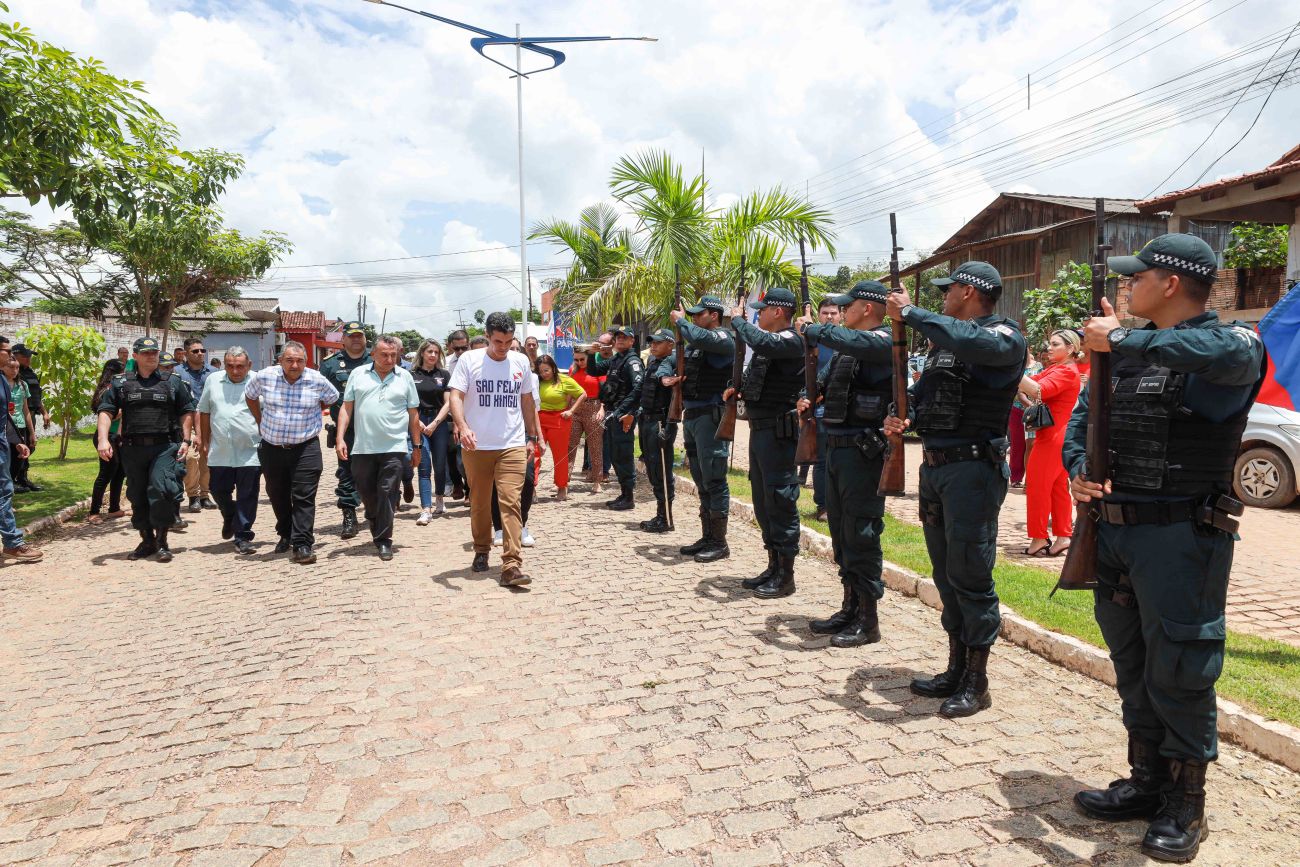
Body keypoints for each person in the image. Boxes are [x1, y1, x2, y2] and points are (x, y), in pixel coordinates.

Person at [1066, 234, 1265, 863]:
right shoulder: (1125, 351)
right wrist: (1078, 469)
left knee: (1180, 667)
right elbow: (1081, 422)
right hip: (1115, 532)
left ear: (1172, 283)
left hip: (1181, 538)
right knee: (1131, 661)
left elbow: (1213, 352)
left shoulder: (1233, 344)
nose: (1128, 286)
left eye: (1138, 276)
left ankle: (1186, 803)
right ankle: (1147, 780)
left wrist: (1120, 338)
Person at [884, 261, 1026, 718]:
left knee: (971, 575)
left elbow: (975, 342)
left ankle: (977, 682)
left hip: (973, 472)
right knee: (946, 574)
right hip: (936, 469)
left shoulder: (1004, 336)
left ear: (968, 292)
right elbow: (925, 393)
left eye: (949, 289)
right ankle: (955, 668)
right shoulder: (945, 343)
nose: (943, 296)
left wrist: (912, 313)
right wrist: (904, 414)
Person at [796, 280, 894, 647]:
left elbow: (855, 342)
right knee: (841, 532)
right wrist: (806, 397)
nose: (840, 312)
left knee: (861, 533)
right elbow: (821, 383)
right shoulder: (845, 349)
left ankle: (869, 620)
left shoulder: (883, 341)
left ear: (866, 308)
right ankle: (850, 607)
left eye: (846, 306)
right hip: (836, 449)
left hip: (862, 454)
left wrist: (816, 330)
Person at [448, 312, 541, 587]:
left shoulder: (520, 361)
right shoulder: (469, 360)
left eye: (509, 342)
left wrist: (531, 437)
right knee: (479, 502)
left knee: (510, 501)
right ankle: (481, 549)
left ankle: (511, 564)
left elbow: (527, 401)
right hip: (477, 445)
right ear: (488, 336)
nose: (503, 347)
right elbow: (456, 396)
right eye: (498, 341)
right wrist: (463, 426)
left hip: (512, 444)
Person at [726, 287, 805, 598]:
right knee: (762, 501)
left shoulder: (791, 340)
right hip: (760, 431)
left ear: (778, 311)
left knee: (779, 499)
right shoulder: (768, 344)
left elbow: (761, 342)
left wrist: (738, 321)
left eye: (762, 310)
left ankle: (786, 576)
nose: (758, 315)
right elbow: (757, 378)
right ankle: (773, 566)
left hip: (778, 433)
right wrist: (736, 389)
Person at [96, 336, 197, 563]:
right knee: (138, 494)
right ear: (135, 356)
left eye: (154, 352)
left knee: (161, 490)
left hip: (165, 446)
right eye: (146, 353)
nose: (151, 356)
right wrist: (103, 440)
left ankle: (162, 542)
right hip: (133, 449)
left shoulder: (172, 382)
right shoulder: (121, 383)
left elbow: (186, 410)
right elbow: (106, 411)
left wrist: (186, 440)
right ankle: (147, 540)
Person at [244, 341, 339, 564]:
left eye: (299, 361)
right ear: (280, 361)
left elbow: (333, 398)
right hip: (272, 447)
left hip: (306, 447)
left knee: (304, 495)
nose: (294, 365)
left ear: (306, 362)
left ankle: (303, 544)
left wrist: (314, 410)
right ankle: (286, 533)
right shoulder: (265, 377)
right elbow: (250, 395)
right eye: (289, 360)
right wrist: (259, 419)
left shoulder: (317, 380)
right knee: (277, 494)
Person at [335, 335, 421, 561]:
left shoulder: (405, 377)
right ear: (373, 354)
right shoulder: (358, 374)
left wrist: (417, 445)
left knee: (387, 491)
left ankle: (384, 540)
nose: (389, 359)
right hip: (363, 448)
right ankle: (374, 519)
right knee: (367, 493)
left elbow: (413, 413)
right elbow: (346, 408)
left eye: (393, 355)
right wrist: (340, 438)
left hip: (395, 447)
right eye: (384, 355)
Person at [669, 295, 735, 563]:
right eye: (692, 315)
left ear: (714, 315)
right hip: (693, 415)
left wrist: (681, 322)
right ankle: (707, 536)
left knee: (714, 478)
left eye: (699, 314)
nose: (695, 318)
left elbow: (699, 337)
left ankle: (719, 542)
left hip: (711, 416)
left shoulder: (722, 338)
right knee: (700, 477)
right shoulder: (697, 343)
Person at [1019, 329, 1083, 557]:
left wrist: (1011, 368)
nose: (1049, 347)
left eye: (1055, 344)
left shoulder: (1066, 371)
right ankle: (1063, 536)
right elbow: (1031, 383)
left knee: (1037, 486)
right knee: (1057, 488)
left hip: (1054, 437)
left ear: (1071, 348)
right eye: (1050, 343)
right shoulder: (1058, 368)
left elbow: (1039, 390)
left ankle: (1038, 538)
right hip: (1058, 435)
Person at [198, 347, 261, 555]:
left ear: (249, 365)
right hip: (220, 449)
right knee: (217, 489)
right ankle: (229, 513)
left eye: (240, 366)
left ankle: (243, 536)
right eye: (230, 366)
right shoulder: (213, 380)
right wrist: (204, 440)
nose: (235, 371)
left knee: (247, 495)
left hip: (250, 450)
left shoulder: (258, 381)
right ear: (224, 365)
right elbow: (204, 411)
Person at [319, 322, 371, 540]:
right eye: (351, 336)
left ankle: (376, 509)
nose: (356, 339)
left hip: (375, 430)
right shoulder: (330, 365)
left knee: (375, 472)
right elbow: (319, 396)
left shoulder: (376, 360)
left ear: (365, 339)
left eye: (360, 335)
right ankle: (349, 516)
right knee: (347, 473)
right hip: (346, 431)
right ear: (343, 339)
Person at [587, 326, 643, 510]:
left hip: (622, 414)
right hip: (613, 413)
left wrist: (624, 411)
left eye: (624, 337)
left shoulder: (632, 361)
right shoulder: (616, 359)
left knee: (623, 454)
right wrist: (591, 354)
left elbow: (638, 388)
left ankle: (629, 497)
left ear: (632, 341)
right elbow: (593, 371)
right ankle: (623, 493)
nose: (620, 340)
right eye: (618, 337)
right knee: (615, 455)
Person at [0, 339, 40, 562]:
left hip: (3, 444)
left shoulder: (3, 381)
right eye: (6, 351)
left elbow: (4, 417)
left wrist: (16, 441)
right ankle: (13, 544)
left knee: (4, 491)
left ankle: (12, 543)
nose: (10, 354)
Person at [635, 331, 678, 532]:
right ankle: (661, 514)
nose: (653, 345)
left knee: (662, 470)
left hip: (661, 422)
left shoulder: (674, 362)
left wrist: (669, 427)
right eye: (652, 342)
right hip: (646, 421)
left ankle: (666, 518)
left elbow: (676, 402)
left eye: (658, 343)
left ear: (670, 344)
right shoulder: (652, 362)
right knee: (653, 469)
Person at [411, 339, 453, 524]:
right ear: (422, 353)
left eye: (436, 352)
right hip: (418, 421)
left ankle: (440, 498)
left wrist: (435, 423)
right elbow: (408, 401)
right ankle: (426, 509)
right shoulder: (411, 375)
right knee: (424, 465)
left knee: (440, 464)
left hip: (439, 422)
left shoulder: (443, 375)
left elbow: (449, 402)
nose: (433, 355)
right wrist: (418, 423)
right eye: (430, 352)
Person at [535, 354, 585, 501]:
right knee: (534, 453)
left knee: (560, 455)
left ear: (553, 368)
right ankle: (531, 487)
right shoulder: (536, 381)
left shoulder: (564, 380)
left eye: (546, 370)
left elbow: (582, 394)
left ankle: (562, 486)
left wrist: (571, 411)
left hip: (559, 419)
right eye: (540, 371)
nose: (543, 374)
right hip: (538, 419)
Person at [809, 297, 841, 522]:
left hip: (843, 410)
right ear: (818, 315)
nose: (829, 317)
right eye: (825, 313)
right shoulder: (812, 340)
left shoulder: (848, 339)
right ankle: (823, 506)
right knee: (821, 461)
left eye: (833, 313)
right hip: (819, 409)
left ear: (841, 315)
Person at [175, 337, 214, 513]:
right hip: (187, 420)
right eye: (195, 351)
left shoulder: (213, 373)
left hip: (209, 419)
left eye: (202, 350)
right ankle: (193, 495)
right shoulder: (177, 372)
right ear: (185, 353)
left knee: (207, 457)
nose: (200, 354)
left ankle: (205, 495)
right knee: (190, 457)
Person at [88, 360, 127, 524]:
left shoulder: (117, 389)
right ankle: (94, 512)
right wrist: (121, 411)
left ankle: (114, 508)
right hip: (106, 437)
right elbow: (105, 413)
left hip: (118, 436)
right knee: (106, 474)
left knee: (120, 472)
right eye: (123, 371)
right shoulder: (107, 390)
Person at [565, 346, 605, 494]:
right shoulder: (572, 370)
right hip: (575, 408)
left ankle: (597, 481)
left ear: (588, 357)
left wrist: (602, 408)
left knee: (595, 446)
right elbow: (569, 391)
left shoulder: (597, 369)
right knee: (570, 445)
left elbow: (604, 391)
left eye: (582, 359)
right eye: (576, 360)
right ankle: (564, 481)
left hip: (593, 407)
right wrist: (566, 408)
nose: (580, 362)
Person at [10, 344, 44, 491]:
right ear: (15, 356)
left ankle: (22, 478)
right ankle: (11, 481)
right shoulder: (8, 376)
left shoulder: (29, 374)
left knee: (29, 447)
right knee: (14, 450)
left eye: (29, 356)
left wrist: (44, 412)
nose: (28, 359)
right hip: (13, 418)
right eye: (25, 356)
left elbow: (36, 396)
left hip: (29, 415)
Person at [444, 330, 471, 501]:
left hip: (470, 413)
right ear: (450, 347)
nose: (460, 352)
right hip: (449, 412)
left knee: (466, 457)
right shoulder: (446, 363)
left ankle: (470, 489)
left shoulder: (475, 361)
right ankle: (457, 483)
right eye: (456, 348)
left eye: (464, 348)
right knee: (451, 454)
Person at [1007, 345, 1039, 489]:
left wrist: (1033, 407)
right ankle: (1015, 477)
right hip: (1017, 409)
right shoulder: (1014, 366)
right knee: (1017, 443)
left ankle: (1030, 479)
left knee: (1031, 444)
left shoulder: (1039, 366)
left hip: (1035, 411)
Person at [5, 355, 34, 494]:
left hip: (20, 427)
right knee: (5, 460)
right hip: (4, 427)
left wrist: (32, 433)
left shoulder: (22, 385)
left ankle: (9, 487)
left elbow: (26, 410)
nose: (15, 370)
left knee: (19, 460)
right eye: (11, 367)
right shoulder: (2, 385)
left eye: (17, 367)